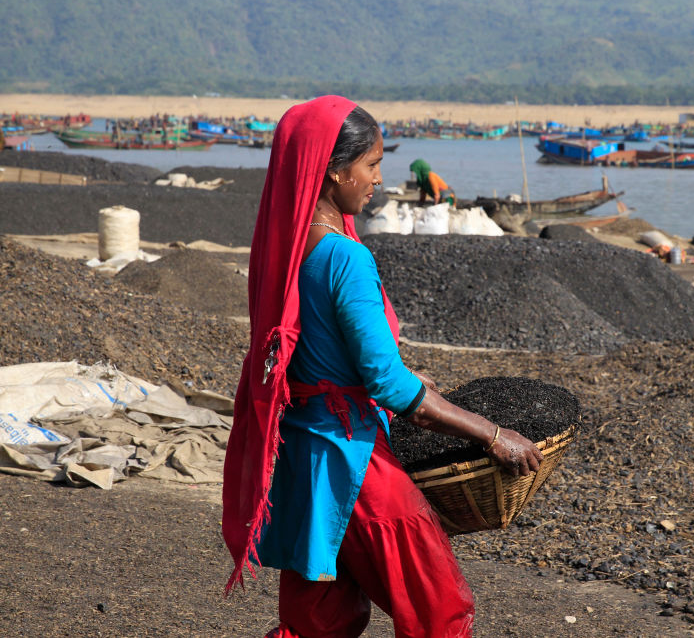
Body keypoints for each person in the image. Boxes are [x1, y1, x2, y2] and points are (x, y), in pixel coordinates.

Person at [222, 96, 542, 638]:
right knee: (439, 612)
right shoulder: (346, 257)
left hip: (301, 457)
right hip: (356, 466)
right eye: (371, 165)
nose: (378, 180)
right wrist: (493, 434)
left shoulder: (288, 248)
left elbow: (314, 354)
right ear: (334, 171)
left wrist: (400, 381)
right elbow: (389, 385)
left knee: (316, 621)